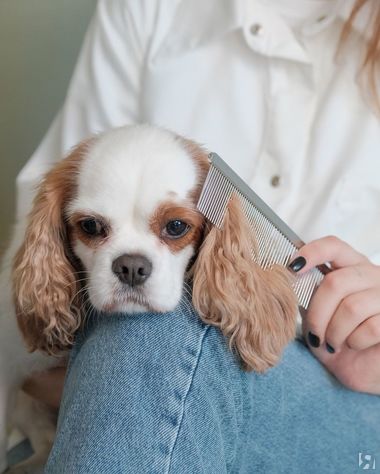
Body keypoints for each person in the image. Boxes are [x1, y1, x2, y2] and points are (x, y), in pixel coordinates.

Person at [17, 0, 380, 472]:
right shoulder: (147, 9)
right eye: (94, 228)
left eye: (174, 228)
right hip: (138, 379)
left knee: (152, 332)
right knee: (150, 328)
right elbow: (58, 216)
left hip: (349, 404)